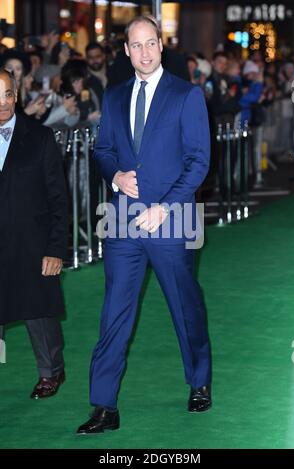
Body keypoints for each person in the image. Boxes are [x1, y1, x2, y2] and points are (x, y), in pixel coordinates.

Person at [77, 16, 212, 435]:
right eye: (136, 46)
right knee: (114, 312)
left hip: (173, 221)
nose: (145, 52)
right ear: (126, 51)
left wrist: (166, 207)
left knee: (183, 305)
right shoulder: (115, 97)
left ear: (161, 45)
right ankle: (103, 405)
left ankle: (199, 380)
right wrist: (115, 175)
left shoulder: (186, 95)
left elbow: (198, 161)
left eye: (151, 43)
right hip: (123, 221)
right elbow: (102, 150)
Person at [0, 68, 68, 399]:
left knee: (38, 312)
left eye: (8, 95)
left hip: (33, 242)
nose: (2, 103)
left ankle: (50, 371)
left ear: (17, 96)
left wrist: (56, 248)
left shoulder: (39, 138)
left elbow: (59, 199)